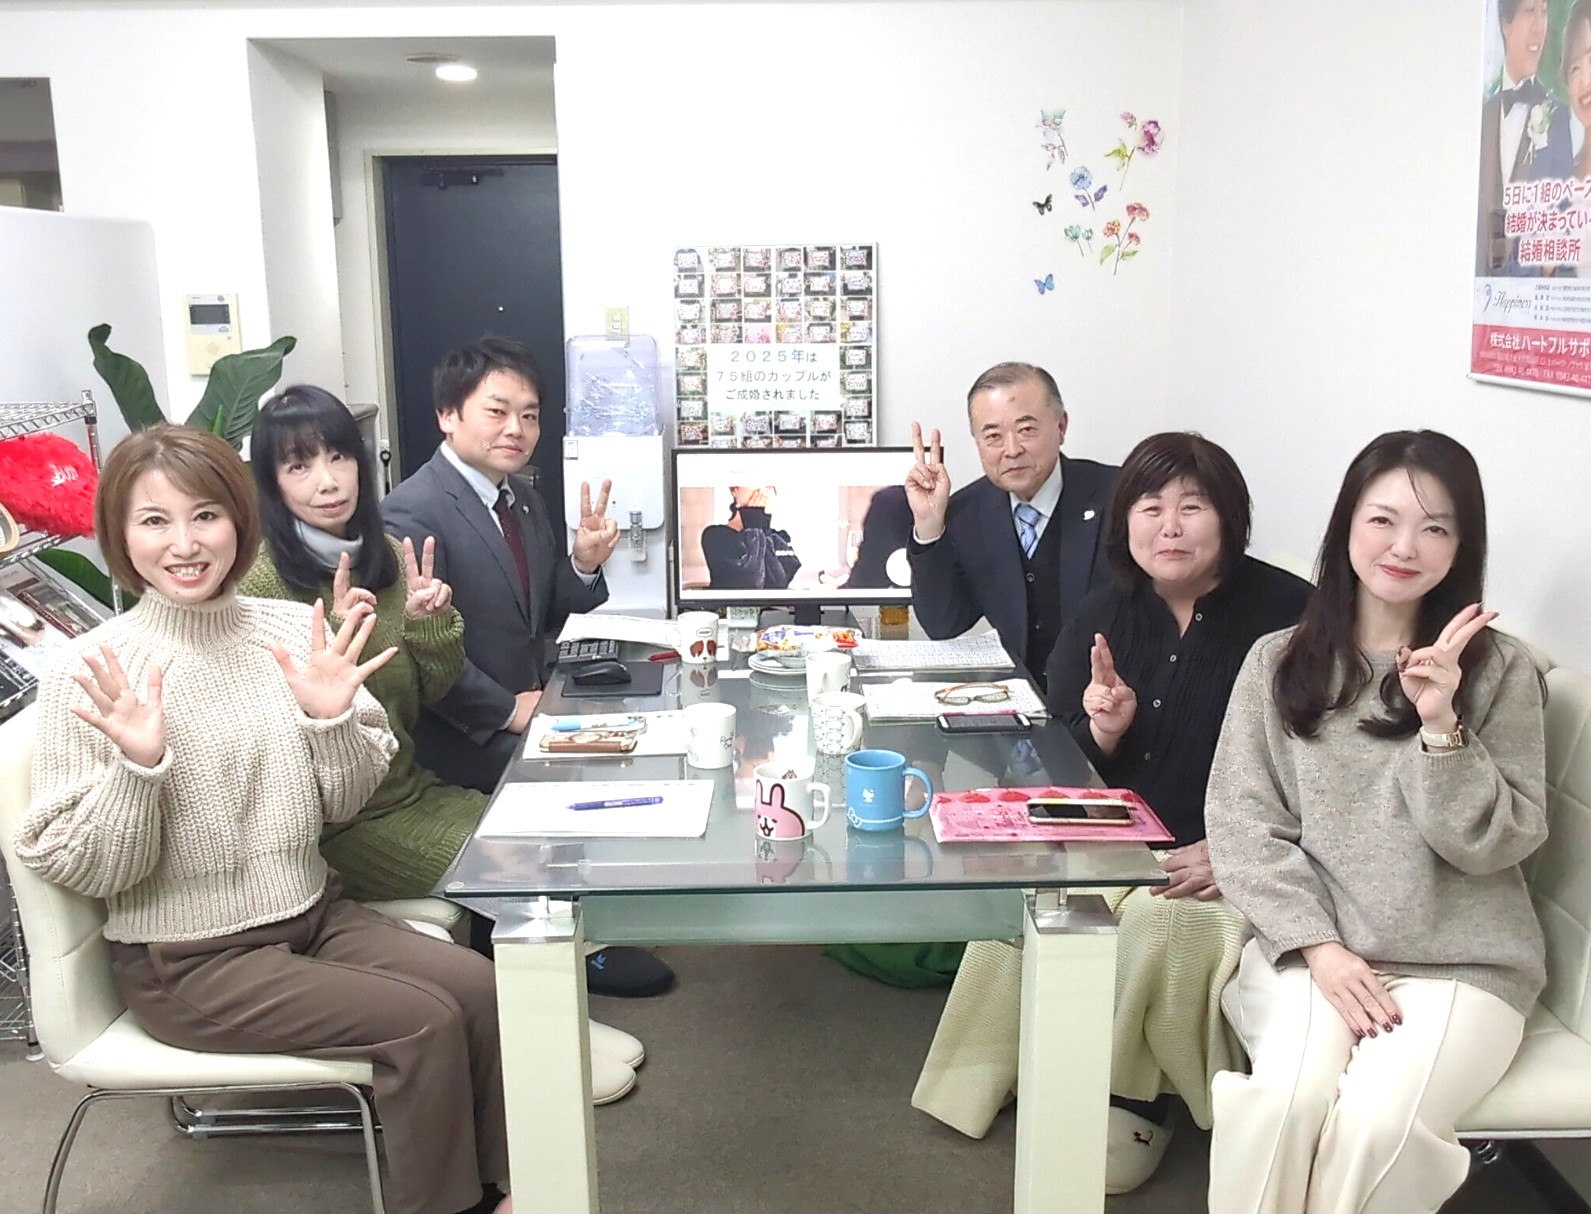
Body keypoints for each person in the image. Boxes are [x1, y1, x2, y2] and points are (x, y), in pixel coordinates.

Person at [15, 425, 512, 1214]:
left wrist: (330, 722)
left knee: (478, 987)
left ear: (240, 522)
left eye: (206, 515)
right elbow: (85, 866)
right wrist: (138, 769)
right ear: (120, 534)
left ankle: (503, 1187)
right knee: (420, 1023)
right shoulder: (93, 670)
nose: (184, 544)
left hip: (311, 915)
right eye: (154, 521)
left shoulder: (289, 632)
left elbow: (343, 803)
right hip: (188, 961)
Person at [912, 433, 1310, 1196]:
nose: (1169, 527)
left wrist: (1234, 851)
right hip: (1117, 831)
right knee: (1032, 904)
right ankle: (1002, 1072)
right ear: (1124, 521)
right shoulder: (1106, 608)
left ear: (1229, 518)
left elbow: (1328, 769)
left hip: (1230, 851)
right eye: (1149, 508)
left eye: (1192, 507)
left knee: (1161, 924)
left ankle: (1130, 1096)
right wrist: (1103, 730)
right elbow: (1054, 747)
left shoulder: (1289, 616)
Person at [1204, 430, 1547, 1214]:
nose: (1403, 547)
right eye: (1382, 520)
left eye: (1434, 528)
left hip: (1462, 963)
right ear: (1346, 527)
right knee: (1281, 1104)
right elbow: (1241, 824)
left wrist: (1440, 725)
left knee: (1376, 1128)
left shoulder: (1498, 670)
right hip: (1312, 952)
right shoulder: (1275, 662)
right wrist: (1319, 948)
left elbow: (1495, 843)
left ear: (1460, 546)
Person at [381, 338, 674, 999]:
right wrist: (505, 711)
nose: (516, 428)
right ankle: (550, 954)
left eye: (530, 414)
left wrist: (584, 563)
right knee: (584, 779)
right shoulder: (410, 512)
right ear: (447, 415)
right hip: (457, 735)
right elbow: (416, 650)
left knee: (638, 737)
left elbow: (541, 613)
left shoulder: (521, 499)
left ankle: (580, 927)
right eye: (497, 411)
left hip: (526, 705)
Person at [905, 362, 1117, 692]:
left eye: (1027, 429)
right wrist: (929, 527)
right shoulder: (967, 512)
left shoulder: (1118, 496)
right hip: (1016, 700)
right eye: (993, 436)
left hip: (1109, 699)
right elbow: (943, 624)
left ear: (1061, 427)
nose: (1012, 450)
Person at [1476, 0, 1573, 275]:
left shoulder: (1557, 116)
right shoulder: (1483, 115)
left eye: (1544, 13)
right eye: (1530, 11)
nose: (1539, 27)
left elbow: (1565, 223)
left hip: (1532, 294)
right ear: (1506, 24)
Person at [700, 485, 801, 589]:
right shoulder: (715, 536)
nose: (762, 490)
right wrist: (753, 523)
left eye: (768, 485)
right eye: (755, 482)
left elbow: (778, 583)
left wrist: (762, 525)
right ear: (734, 490)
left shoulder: (779, 538)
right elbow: (750, 581)